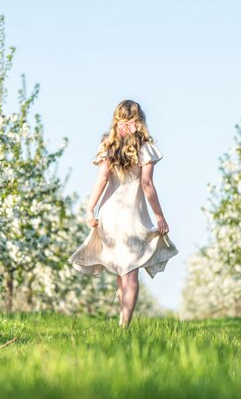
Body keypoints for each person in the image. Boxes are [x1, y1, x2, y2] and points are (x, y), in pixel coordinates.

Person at [67, 99, 178, 329]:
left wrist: (91, 208)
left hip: (109, 215)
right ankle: (124, 324)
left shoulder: (108, 145)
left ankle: (122, 321)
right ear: (139, 122)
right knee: (130, 273)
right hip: (131, 216)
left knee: (121, 270)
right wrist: (159, 216)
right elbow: (147, 184)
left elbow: (102, 178)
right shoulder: (146, 148)